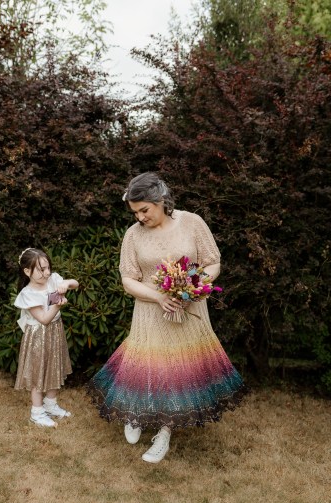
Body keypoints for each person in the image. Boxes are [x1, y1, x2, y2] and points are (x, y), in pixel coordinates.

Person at [88, 172, 249, 463]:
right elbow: (128, 280)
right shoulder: (133, 235)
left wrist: (193, 287)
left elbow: (213, 263)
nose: (139, 217)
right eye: (134, 212)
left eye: (144, 210)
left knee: (178, 372)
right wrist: (159, 296)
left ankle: (164, 431)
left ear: (160, 201)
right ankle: (135, 414)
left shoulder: (192, 222)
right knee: (148, 365)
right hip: (151, 309)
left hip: (189, 309)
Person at [14, 248, 79, 427]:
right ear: (27, 271)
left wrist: (66, 283)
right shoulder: (28, 294)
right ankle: (37, 411)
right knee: (38, 372)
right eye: (41, 269)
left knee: (53, 366)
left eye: (48, 267)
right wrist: (58, 306)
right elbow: (44, 319)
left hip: (55, 331)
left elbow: (76, 283)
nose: (47, 272)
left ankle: (51, 404)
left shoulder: (52, 279)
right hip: (38, 336)